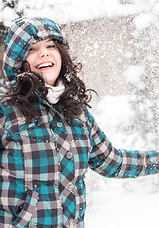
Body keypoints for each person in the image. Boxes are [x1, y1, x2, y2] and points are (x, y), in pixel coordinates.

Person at [0, 17, 158, 228]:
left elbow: (112, 162)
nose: (44, 52)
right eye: (32, 48)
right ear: (18, 62)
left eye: (51, 46)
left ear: (61, 56)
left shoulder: (77, 114)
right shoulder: (7, 112)